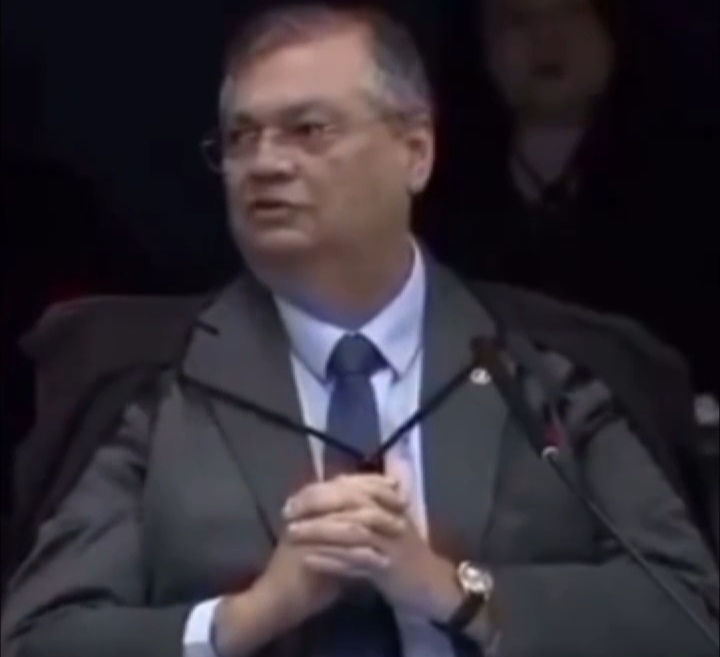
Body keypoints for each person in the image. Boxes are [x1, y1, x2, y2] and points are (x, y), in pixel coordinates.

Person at [1, 4, 718, 657]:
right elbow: (41, 637)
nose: (265, 163)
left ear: (416, 150)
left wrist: (455, 590)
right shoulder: (152, 383)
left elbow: (690, 613)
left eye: (308, 130)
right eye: (241, 137)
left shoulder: (550, 366)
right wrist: (247, 616)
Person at [423, 0, 719, 396]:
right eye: (517, 21)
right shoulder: (434, 190)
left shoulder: (689, 184)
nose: (547, 40)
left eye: (572, 13)